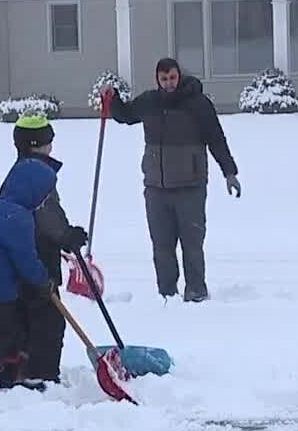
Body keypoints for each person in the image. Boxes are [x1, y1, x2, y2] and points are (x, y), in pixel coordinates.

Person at [102, 57, 241, 303]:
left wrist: (229, 172)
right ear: (158, 79)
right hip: (156, 188)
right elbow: (126, 115)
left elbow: (216, 139)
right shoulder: (149, 102)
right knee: (162, 248)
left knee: (192, 245)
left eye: (172, 78)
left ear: (179, 76)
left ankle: (196, 292)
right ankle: (167, 296)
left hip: (190, 187)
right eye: (164, 79)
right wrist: (112, 101)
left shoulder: (198, 104)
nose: (168, 83)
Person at [4, 115, 87, 388]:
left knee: (27, 318)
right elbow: (46, 213)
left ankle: (22, 369)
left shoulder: (22, 171)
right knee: (48, 321)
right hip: (36, 257)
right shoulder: (35, 175)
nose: (52, 145)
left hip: (24, 256)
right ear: (36, 144)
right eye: (48, 140)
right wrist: (65, 236)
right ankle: (41, 375)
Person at [0, 158, 59, 393]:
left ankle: (10, 377)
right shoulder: (19, 218)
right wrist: (42, 281)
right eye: (43, 195)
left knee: (16, 333)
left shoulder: (1, 206)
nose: (43, 201)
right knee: (2, 336)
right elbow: (25, 259)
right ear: (32, 192)